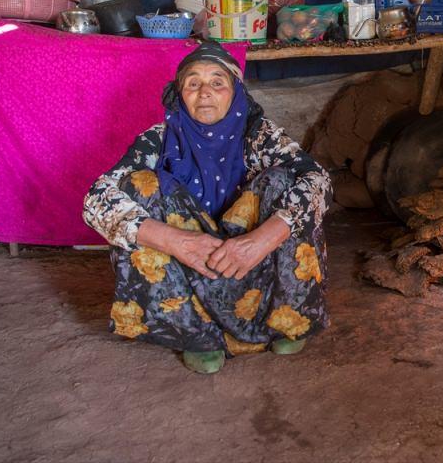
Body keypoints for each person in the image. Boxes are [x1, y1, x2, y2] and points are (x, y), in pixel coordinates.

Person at [83, 42, 332, 374]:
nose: (204, 93)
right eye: (193, 83)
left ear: (234, 93)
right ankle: (196, 335)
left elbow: (319, 180)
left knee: (286, 181)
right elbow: (96, 199)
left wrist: (262, 240)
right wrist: (177, 241)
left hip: (249, 261)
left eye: (217, 82)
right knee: (138, 185)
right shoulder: (159, 139)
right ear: (180, 95)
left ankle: (284, 320)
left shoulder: (259, 136)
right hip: (187, 263)